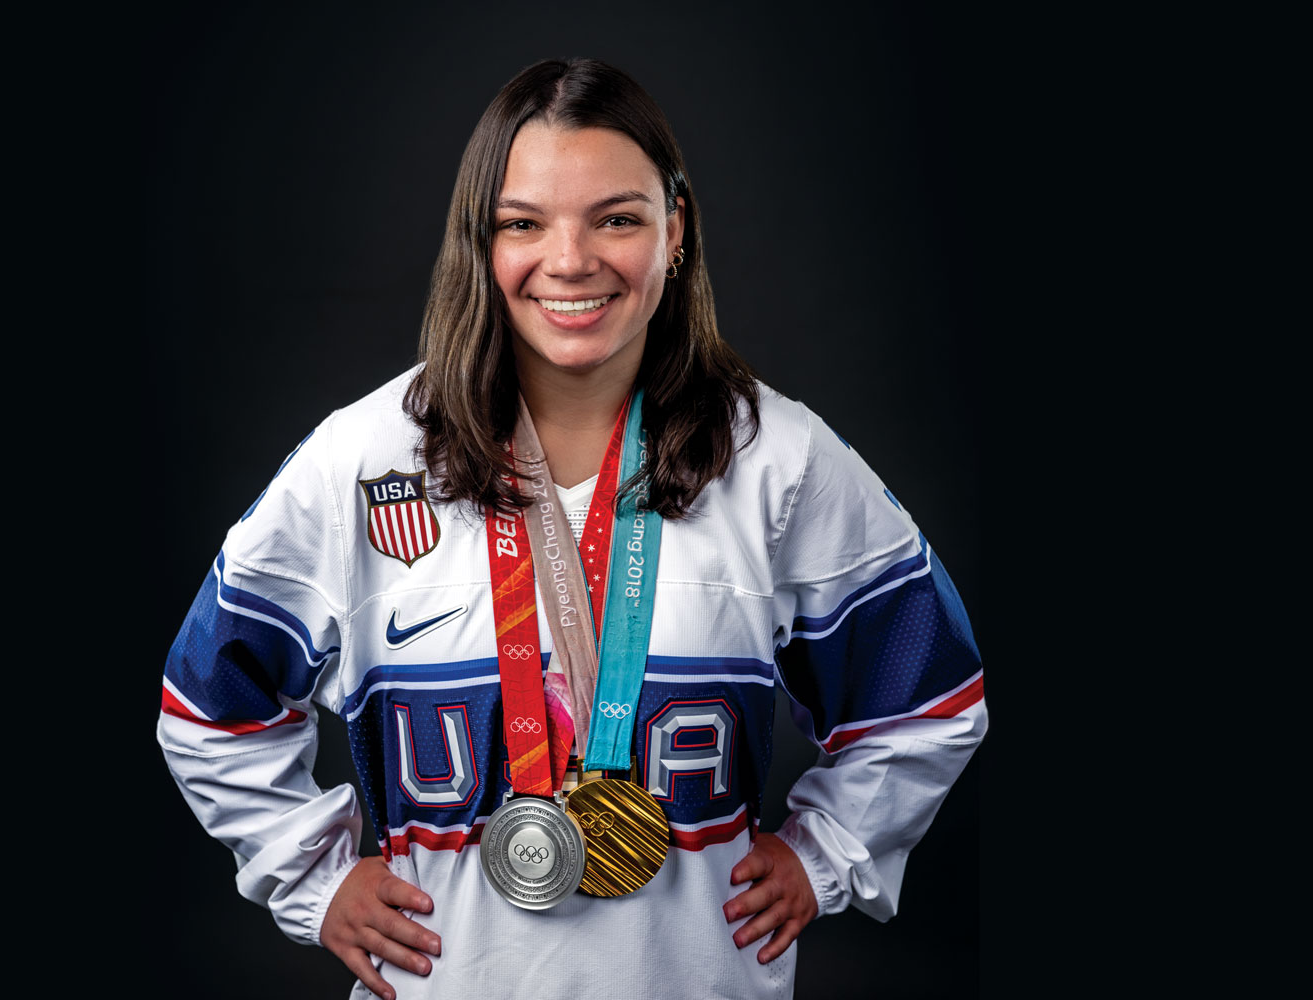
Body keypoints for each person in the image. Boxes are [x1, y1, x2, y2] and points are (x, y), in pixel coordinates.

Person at [158, 58, 985, 1000]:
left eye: (617, 218)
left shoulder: (778, 460)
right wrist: (315, 879)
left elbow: (930, 701)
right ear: (480, 240)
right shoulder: (364, 459)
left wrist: (826, 855)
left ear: (676, 229)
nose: (570, 260)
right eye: (523, 223)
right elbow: (207, 708)